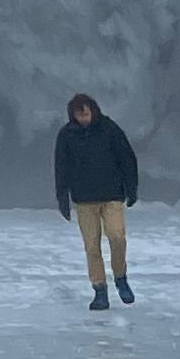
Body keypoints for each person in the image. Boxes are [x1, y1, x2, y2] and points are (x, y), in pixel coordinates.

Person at [54, 91, 139, 309]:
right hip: (84, 200)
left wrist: (132, 187)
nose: (83, 118)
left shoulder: (109, 129)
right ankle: (99, 289)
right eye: (79, 115)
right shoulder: (66, 135)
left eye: (86, 113)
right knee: (92, 246)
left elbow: (127, 157)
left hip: (112, 195)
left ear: (93, 111)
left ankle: (120, 277)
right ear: (73, 115)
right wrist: (62, 197)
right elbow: (61, 167)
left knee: (117, 236)